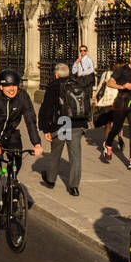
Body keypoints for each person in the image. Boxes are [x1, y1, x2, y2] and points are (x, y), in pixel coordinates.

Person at [0, 69, 42, 234]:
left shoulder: (22, 97)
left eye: (14, 85)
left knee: (17, 158)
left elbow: (30, 119)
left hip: (10, 134)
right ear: (0, 87)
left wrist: (36, 143)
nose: (12, 89)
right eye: (7, 86)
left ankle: (11, 185)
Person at [38, 61, 90, 196]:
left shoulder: (54, 86)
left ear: (56, 75)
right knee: (75, 156)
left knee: (55, 152)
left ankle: (50, 179)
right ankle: (74, 187)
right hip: (76, 124)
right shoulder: (78, 84)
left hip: (60, 124)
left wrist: (45, 128)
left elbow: (47, 108)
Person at [94, 49, 131, 164]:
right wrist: (122, 86)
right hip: (121, 103)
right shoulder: (121, 70)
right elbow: (109, 83)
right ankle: (108, 144)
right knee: (117, 127)